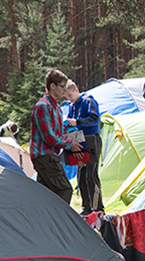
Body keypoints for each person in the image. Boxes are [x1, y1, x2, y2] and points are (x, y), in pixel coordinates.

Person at [30, 69, 82, 204]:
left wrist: (76, 146)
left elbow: (61, 132)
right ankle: (59, 223)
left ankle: (46, 223)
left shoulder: (56, 107)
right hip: (44, 156)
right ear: (52, 86)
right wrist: (70, 145)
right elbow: (50, 136)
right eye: (62, 86)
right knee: (65, 189)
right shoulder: (43, 106)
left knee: (47, 195)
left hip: (50, 155)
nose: (64, 90)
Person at [64, 80, 104, 214]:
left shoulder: (88, 101)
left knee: (91, 176)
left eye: (70, 95)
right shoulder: (72, 106)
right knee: (81, 176)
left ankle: (98, 208)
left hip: (92, 139)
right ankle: (86, 207)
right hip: (79, 142)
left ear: (76, 90)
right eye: (66, 97)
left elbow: (96, 119)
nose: (69, 99)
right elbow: (72, 122)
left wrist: (78, 122)